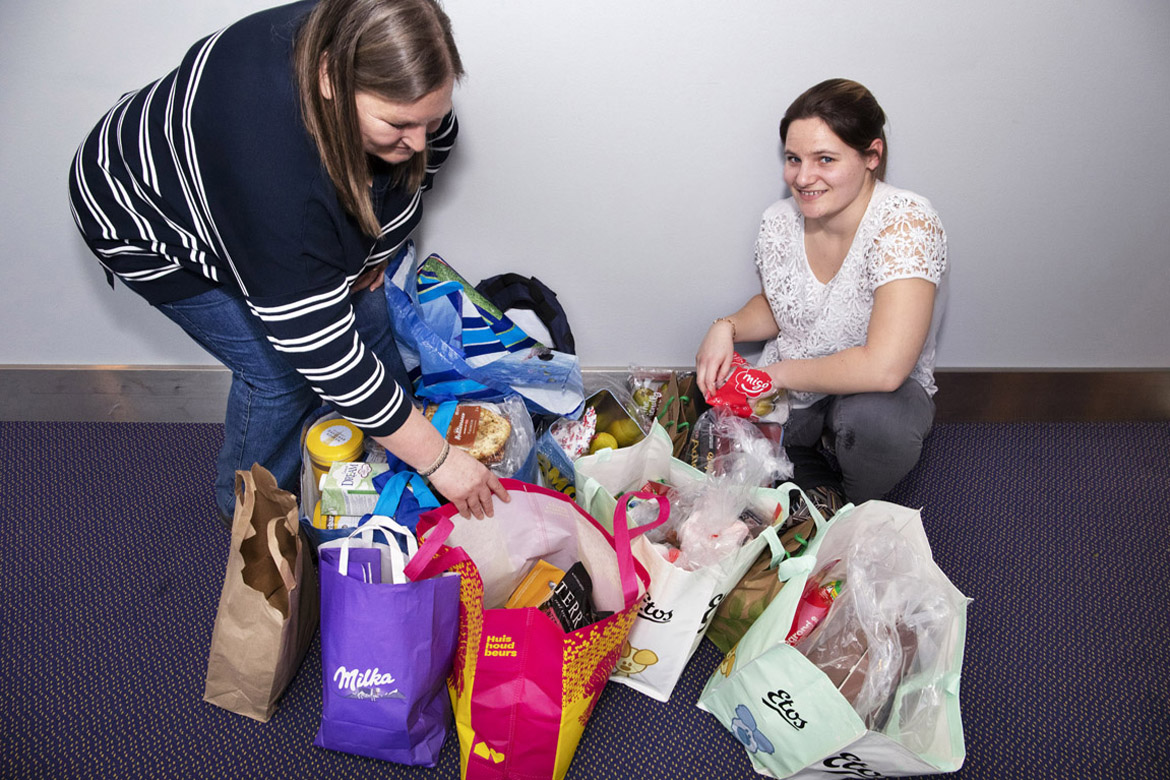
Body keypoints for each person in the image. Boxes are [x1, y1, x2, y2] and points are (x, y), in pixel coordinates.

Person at [68, 0, 509, 521]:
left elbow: (426, 153)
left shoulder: (365, 49)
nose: (418, 142)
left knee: (365, 305)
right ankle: (251, 516)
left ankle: (393, 439)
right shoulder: (274, 175)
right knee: (279, 374)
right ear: (330, 79)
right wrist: (439, 461)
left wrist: (381, 248)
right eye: (400, 125)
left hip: (246, 189)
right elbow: (317, 345)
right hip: (142, 216)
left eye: (429, 120)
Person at [695, 78, 947, 505]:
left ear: (871, 155)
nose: (803, 177)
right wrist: (727, 327)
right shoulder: (779, 221)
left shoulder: (907, 223)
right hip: (801, 384)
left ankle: (851, 498)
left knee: (876, 425)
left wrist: (773, 377)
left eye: (825, 159)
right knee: (718, 444)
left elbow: (885, 368)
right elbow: (779, 306)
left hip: (874, 395)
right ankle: (808, 461)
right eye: (794, 159)